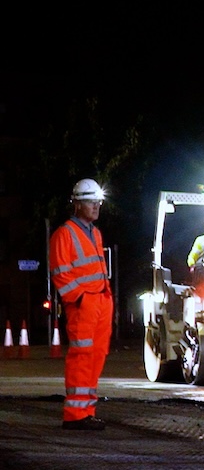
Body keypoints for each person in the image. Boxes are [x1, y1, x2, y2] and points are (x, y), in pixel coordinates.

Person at [49, 178, 113, 430]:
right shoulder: (64, 234)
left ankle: (86, 411)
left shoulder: (95, 233)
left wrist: (104, 298)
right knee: (82, 356)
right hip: (83, 305)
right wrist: (80, 298)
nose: (96, 205)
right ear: (76, 204)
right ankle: (75, 415)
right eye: (90, 200)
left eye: (98, 200)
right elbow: (60, 273)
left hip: (100, 300)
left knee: (96, 356)